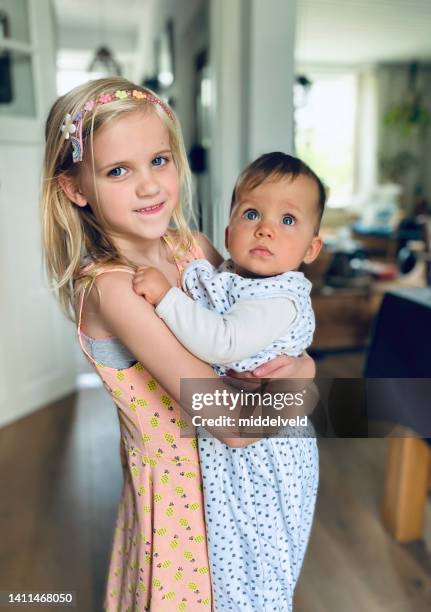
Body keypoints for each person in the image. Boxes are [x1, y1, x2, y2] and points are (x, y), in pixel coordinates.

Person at [40, 77, 315, 612]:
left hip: (242, 489)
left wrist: (290, 373)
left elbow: (258, 331)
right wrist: (302, 375)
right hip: (184, 505)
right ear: (76, 189)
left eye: (159, 160)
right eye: (118, 171)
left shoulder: (191, 248)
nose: (148, 187)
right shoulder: (111, 288)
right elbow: (232, 423)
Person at [133, 152, 324, 611]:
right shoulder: (232, 276)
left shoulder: (280, 296)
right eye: (252, 213)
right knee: (233, 558)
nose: (266, 228)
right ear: (228, 231)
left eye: (288, 219)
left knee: (260, 563)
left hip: (269, 455)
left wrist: (165, 296)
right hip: (241, 445)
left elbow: (222, 342)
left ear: (310, 250)